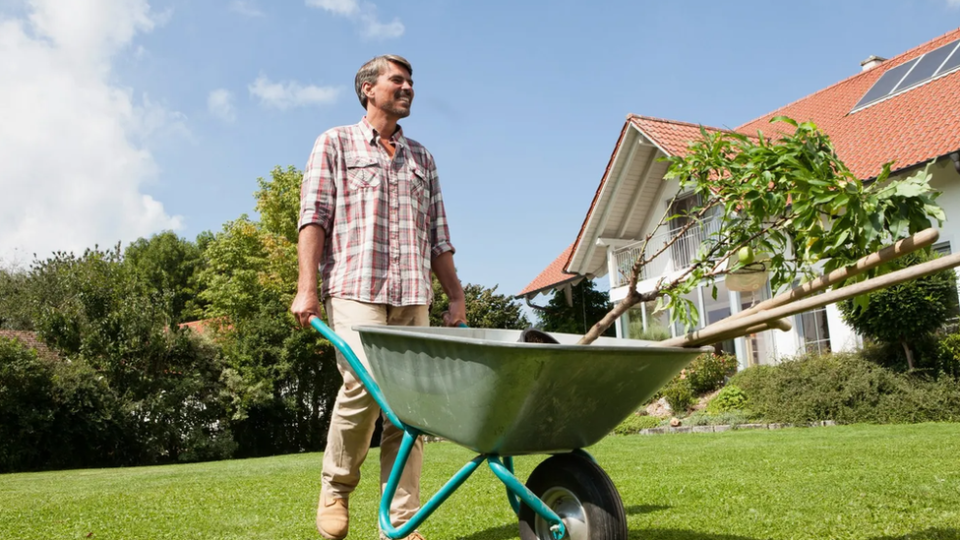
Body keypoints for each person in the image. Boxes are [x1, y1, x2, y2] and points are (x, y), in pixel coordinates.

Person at [290, 54, 467, 540]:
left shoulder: (422, 158)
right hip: (355, 287)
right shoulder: (335, 143)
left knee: (412, 406)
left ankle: (402, 519)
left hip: (413, 293)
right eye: (398, 80)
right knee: (364, 385)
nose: (408, 87)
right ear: (368, 88)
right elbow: (313, 219)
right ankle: (337, 487)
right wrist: (307, 287)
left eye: (411, 81)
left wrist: (454, 295)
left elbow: (439, 236)